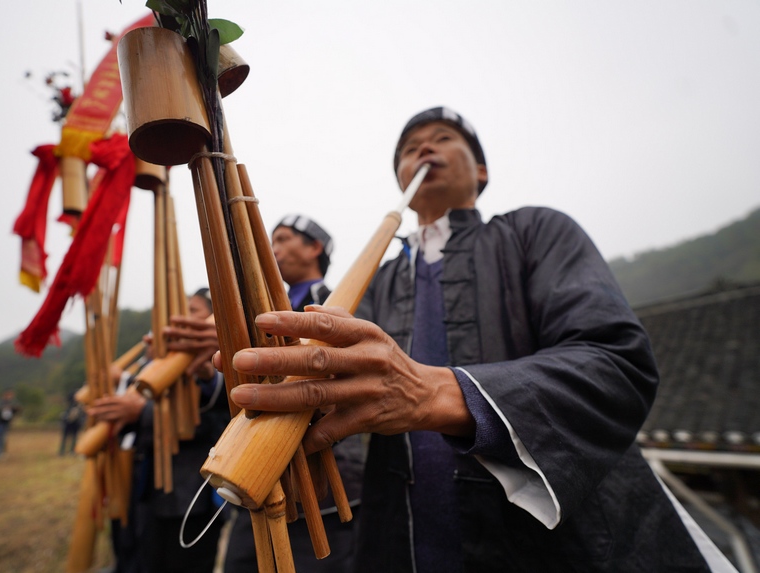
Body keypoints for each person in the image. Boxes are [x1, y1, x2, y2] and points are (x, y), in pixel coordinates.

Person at [213, 107, 735, 571]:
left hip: (559, 544)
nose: (423, 148)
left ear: (480, 170)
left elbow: (616, 366)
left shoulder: (536, 232)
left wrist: (435, 392)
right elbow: (328, 394)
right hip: (402, 537)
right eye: (409, 147)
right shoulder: (380, 281)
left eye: (442, 138)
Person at [223, 215, 366, 573]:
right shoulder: (261, 309)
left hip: (319, 492)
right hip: (256, 473)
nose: (274, 248)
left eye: (284, 238)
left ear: (314, 248)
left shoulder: (337, 304)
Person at [89, 289, 230, 573]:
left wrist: (140, 410)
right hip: (147, 486)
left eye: (192, 311)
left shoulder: (219, 364)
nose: (179, 320)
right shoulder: (156, 365)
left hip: (191, 495)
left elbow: (218, 417)